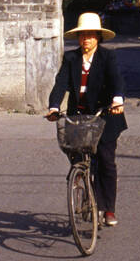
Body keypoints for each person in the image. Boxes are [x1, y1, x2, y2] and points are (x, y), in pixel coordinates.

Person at [46, 12, 127, 227]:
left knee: (106, 161)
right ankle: (80, 178)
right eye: (83, 36)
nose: (86, 40)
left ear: (98, 37)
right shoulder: (71, 58)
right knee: (75, 154)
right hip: (79, 117)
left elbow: (116, 79)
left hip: (105, 114)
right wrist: (54, 106)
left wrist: (117, 100)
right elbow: (60, 84)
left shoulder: (107, 57)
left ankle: (108, 208)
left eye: (91, 36)